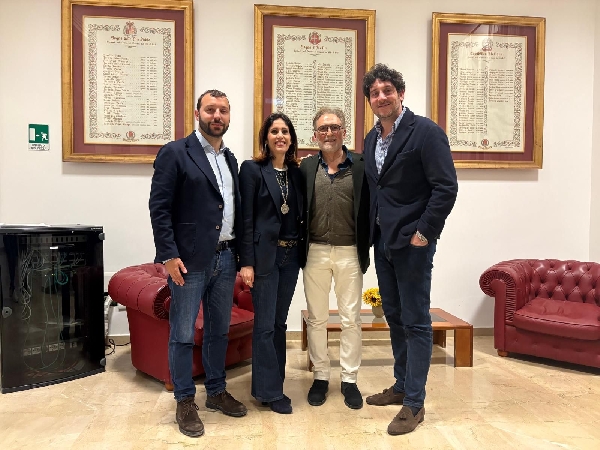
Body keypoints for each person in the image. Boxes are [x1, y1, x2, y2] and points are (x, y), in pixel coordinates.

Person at [362, 64, 458, 434]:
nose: (381, 97)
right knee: (395, 317)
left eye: (387, 90)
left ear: (401, 94)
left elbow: (445, 187)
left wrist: (424, 233)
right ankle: (402, 385)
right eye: (374, 93)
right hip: (383, 243)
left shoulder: (426, 132)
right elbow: (377, 189)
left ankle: (415, 404)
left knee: (416, 322)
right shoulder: (371, 138)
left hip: (413, 244)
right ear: (369, 100)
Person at [149, 89, 247, 438]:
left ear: (229, 116)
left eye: (223, 110)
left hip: (226, 257)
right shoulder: (176, 152)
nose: (217, 116)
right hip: (188, 262)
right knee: (182, 332)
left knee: (218, 330)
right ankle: (185, 400)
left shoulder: (230, 159)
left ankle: (216, 391)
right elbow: (159, 207)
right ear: (197, 113)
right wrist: (169, 255)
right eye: (210, 110)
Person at [300, 107, 370, 410]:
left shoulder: (362, 166)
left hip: (349, 252)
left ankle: (349, 379)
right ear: (315, 135)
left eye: (334, 127)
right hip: (314, 251)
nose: (329, 133)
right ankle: (320, 376)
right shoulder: (306, 167)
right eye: (323, 129)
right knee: (316, 318)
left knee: (350, 319)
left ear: (344, 132)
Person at [238, 112, 304, 414]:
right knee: (264, 325)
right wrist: (246, 262)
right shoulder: (252, 169)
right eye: (274, 131)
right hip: (265, 257)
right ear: (266, 137)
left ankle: (274, 383)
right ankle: (268, 392)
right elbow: (246, 218)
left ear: (291, 138)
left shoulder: (297, 173)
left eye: (285, 131)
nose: (280, 136)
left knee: (279, 323)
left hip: (291, 257)